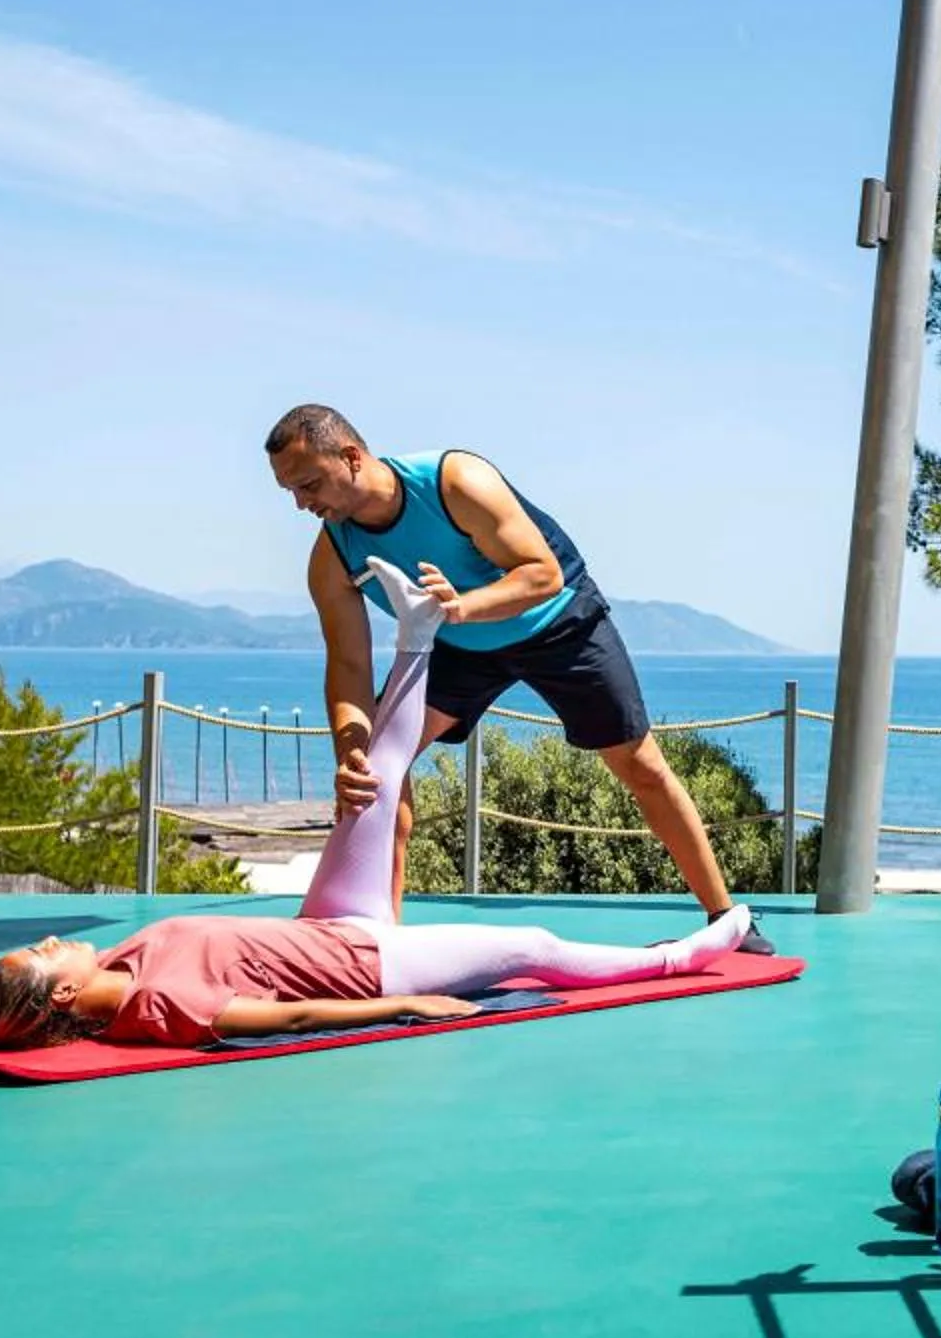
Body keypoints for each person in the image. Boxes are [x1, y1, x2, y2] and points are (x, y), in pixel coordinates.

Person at [0, 560, 759, 1050]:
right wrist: (400, 1004)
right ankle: (683, 954)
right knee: (533, 945)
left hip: (320, 926)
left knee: (375, 783)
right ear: (63, 999)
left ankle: (419, 630)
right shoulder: (154, 1005)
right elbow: (282, 1014)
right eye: (44, 955)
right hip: (367, 965)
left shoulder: (112, 972)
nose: (49, 938)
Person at [262, 403, 771, 951]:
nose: (301, 503)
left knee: (641, 765)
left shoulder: (455, 482)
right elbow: (348, 664)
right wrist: (351, 749)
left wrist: (463, 607)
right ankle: (378, 940)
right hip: (457, 648)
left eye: (309, 484)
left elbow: (542, 574)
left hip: (558, 626)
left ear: (352, 457)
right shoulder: (333, 555)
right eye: (290, 491)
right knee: (380, 772)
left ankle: (726, 918)